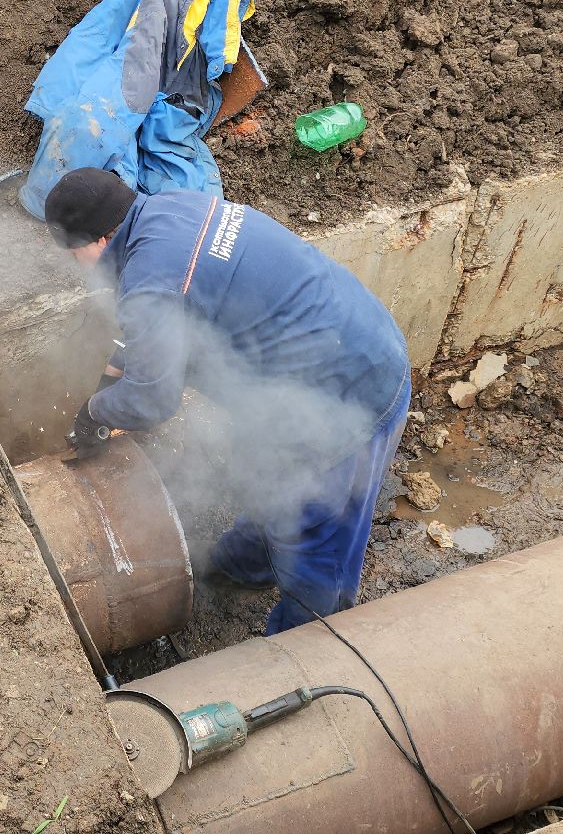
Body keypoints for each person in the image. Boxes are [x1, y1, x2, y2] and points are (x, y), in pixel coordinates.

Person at [43, 167, 411, 636]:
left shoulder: (152, 283)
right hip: (347, 341)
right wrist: (106, 385)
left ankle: (308, 646)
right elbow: (150, 327)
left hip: (345, 396)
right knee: (272, 474)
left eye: (73, 254)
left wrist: (96, 413)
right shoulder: (168, 210)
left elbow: (153, 400)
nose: (78, 265)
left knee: (317, 536)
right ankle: (245, 565)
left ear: (93, 242)